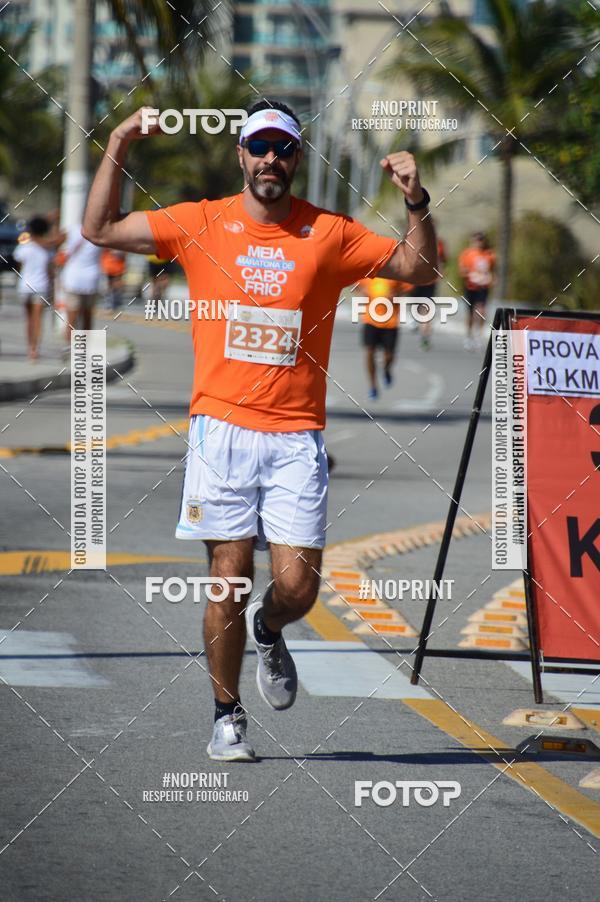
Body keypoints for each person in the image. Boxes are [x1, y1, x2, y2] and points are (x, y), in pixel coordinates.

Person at [81, 100, 437, 761]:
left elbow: (419, 269)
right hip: (220, 428)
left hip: (296, 434)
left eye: (284, 148)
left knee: (298, 588)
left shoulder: (329, 233)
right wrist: (121, 140)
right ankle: (227, 716)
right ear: (240, 154)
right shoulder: (200, 222)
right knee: (229, 576)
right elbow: (98, 227)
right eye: (260, 147)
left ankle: (269, 630)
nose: (271, 159)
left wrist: (416, 200)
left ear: (298, 158)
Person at [358, 276, 412, 400]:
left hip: (390, 321)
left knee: (389, 356)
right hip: (370, 319)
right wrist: (363, 291)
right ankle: (373, 386)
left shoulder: (394, 272)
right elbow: (356, 283)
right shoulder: (369, 272)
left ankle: (386, 369)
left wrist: (395, 296)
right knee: (369, 352)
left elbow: (408, 287)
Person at [13, 217, 54, 359]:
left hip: (25, 285)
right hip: (41, 285)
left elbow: (19, 265)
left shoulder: (24, 246)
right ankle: (35, 349)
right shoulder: (47, 249)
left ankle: (29, 346)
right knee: (38, 319)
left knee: (29, 319)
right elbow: (50, 270)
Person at [60, 224, 102, 339]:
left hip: (73, 280)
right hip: (92, 280)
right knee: (87, 319)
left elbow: (54, 242)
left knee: (71, 321)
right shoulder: (101, 231)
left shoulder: (72, 230)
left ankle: (71, 347)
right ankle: (85, 348)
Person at [410, 227, 447, 350]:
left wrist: (440, 271)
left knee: (427, 309)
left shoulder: (439, 243)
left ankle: (425, 337)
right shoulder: (416, 240)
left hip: (430, 281)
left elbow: (442, 260)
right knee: (416, 304)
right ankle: (416, 319)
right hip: (416, 280)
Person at [458, 231, 495, 349]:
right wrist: (471, 275)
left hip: (483, 288)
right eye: (476, 240)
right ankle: (469, 335)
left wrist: (490, 279)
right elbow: (462, 270)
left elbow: (492, 271)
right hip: (470, 287)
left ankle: (479, 334)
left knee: (481, 310)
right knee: (470, 313)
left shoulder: (489, 254)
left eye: (481, 239)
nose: (479, 242)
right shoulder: (467, 254)